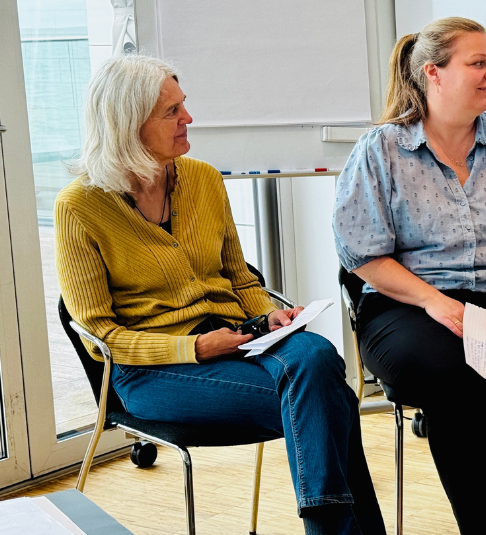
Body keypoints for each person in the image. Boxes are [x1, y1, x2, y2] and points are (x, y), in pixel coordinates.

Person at [55, 54, 385, 535]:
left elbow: (240, 278)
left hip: (238, 340)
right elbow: (100, 335)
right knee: (327, 400)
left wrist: (270, 316)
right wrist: (195, 347)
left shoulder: (204, 179)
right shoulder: (79, 207)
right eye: (171, 111)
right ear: (128, 124)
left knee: (315, 353)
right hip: (153, 372)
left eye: (183, 105)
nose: (188, 118)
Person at [332, 17, 486, 535]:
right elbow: (362, 254)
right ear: (433, 73)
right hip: (407, 305)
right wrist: (431, 301)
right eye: (478, 63)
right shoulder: (381, 150)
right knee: (451, 376)